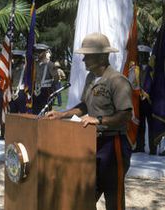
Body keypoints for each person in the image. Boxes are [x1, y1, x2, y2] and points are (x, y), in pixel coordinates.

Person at [46, 33, 133, 210]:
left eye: (88, 55)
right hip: (91, 143)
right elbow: (85, 106)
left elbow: (125, 115)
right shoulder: (90, 78)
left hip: (112, 144)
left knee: (113, 199)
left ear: (102, 57)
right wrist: (62, 115)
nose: (84, 59)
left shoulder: (117, 81)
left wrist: (99, 120)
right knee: (83, 197)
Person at [133, 45, 156, 154]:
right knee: (140, 124)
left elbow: (156, 85)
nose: (142, 57)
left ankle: (153, 148)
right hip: (139, 100)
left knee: (151, 125)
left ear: (148, 56)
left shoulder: (152, 70)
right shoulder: (135, 69)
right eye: (140, 54)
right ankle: (140, 146)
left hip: (150, 100)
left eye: (144, 55)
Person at [32, 43, 58, 115]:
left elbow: (56, 78)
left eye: (40, 51)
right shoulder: (35, 64)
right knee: (35, 112)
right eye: (37, 51)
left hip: (46, 90)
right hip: (35, 90)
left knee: (45, 112)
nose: (38, 53)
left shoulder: (50, 64)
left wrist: (52, 90)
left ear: (45, 52)